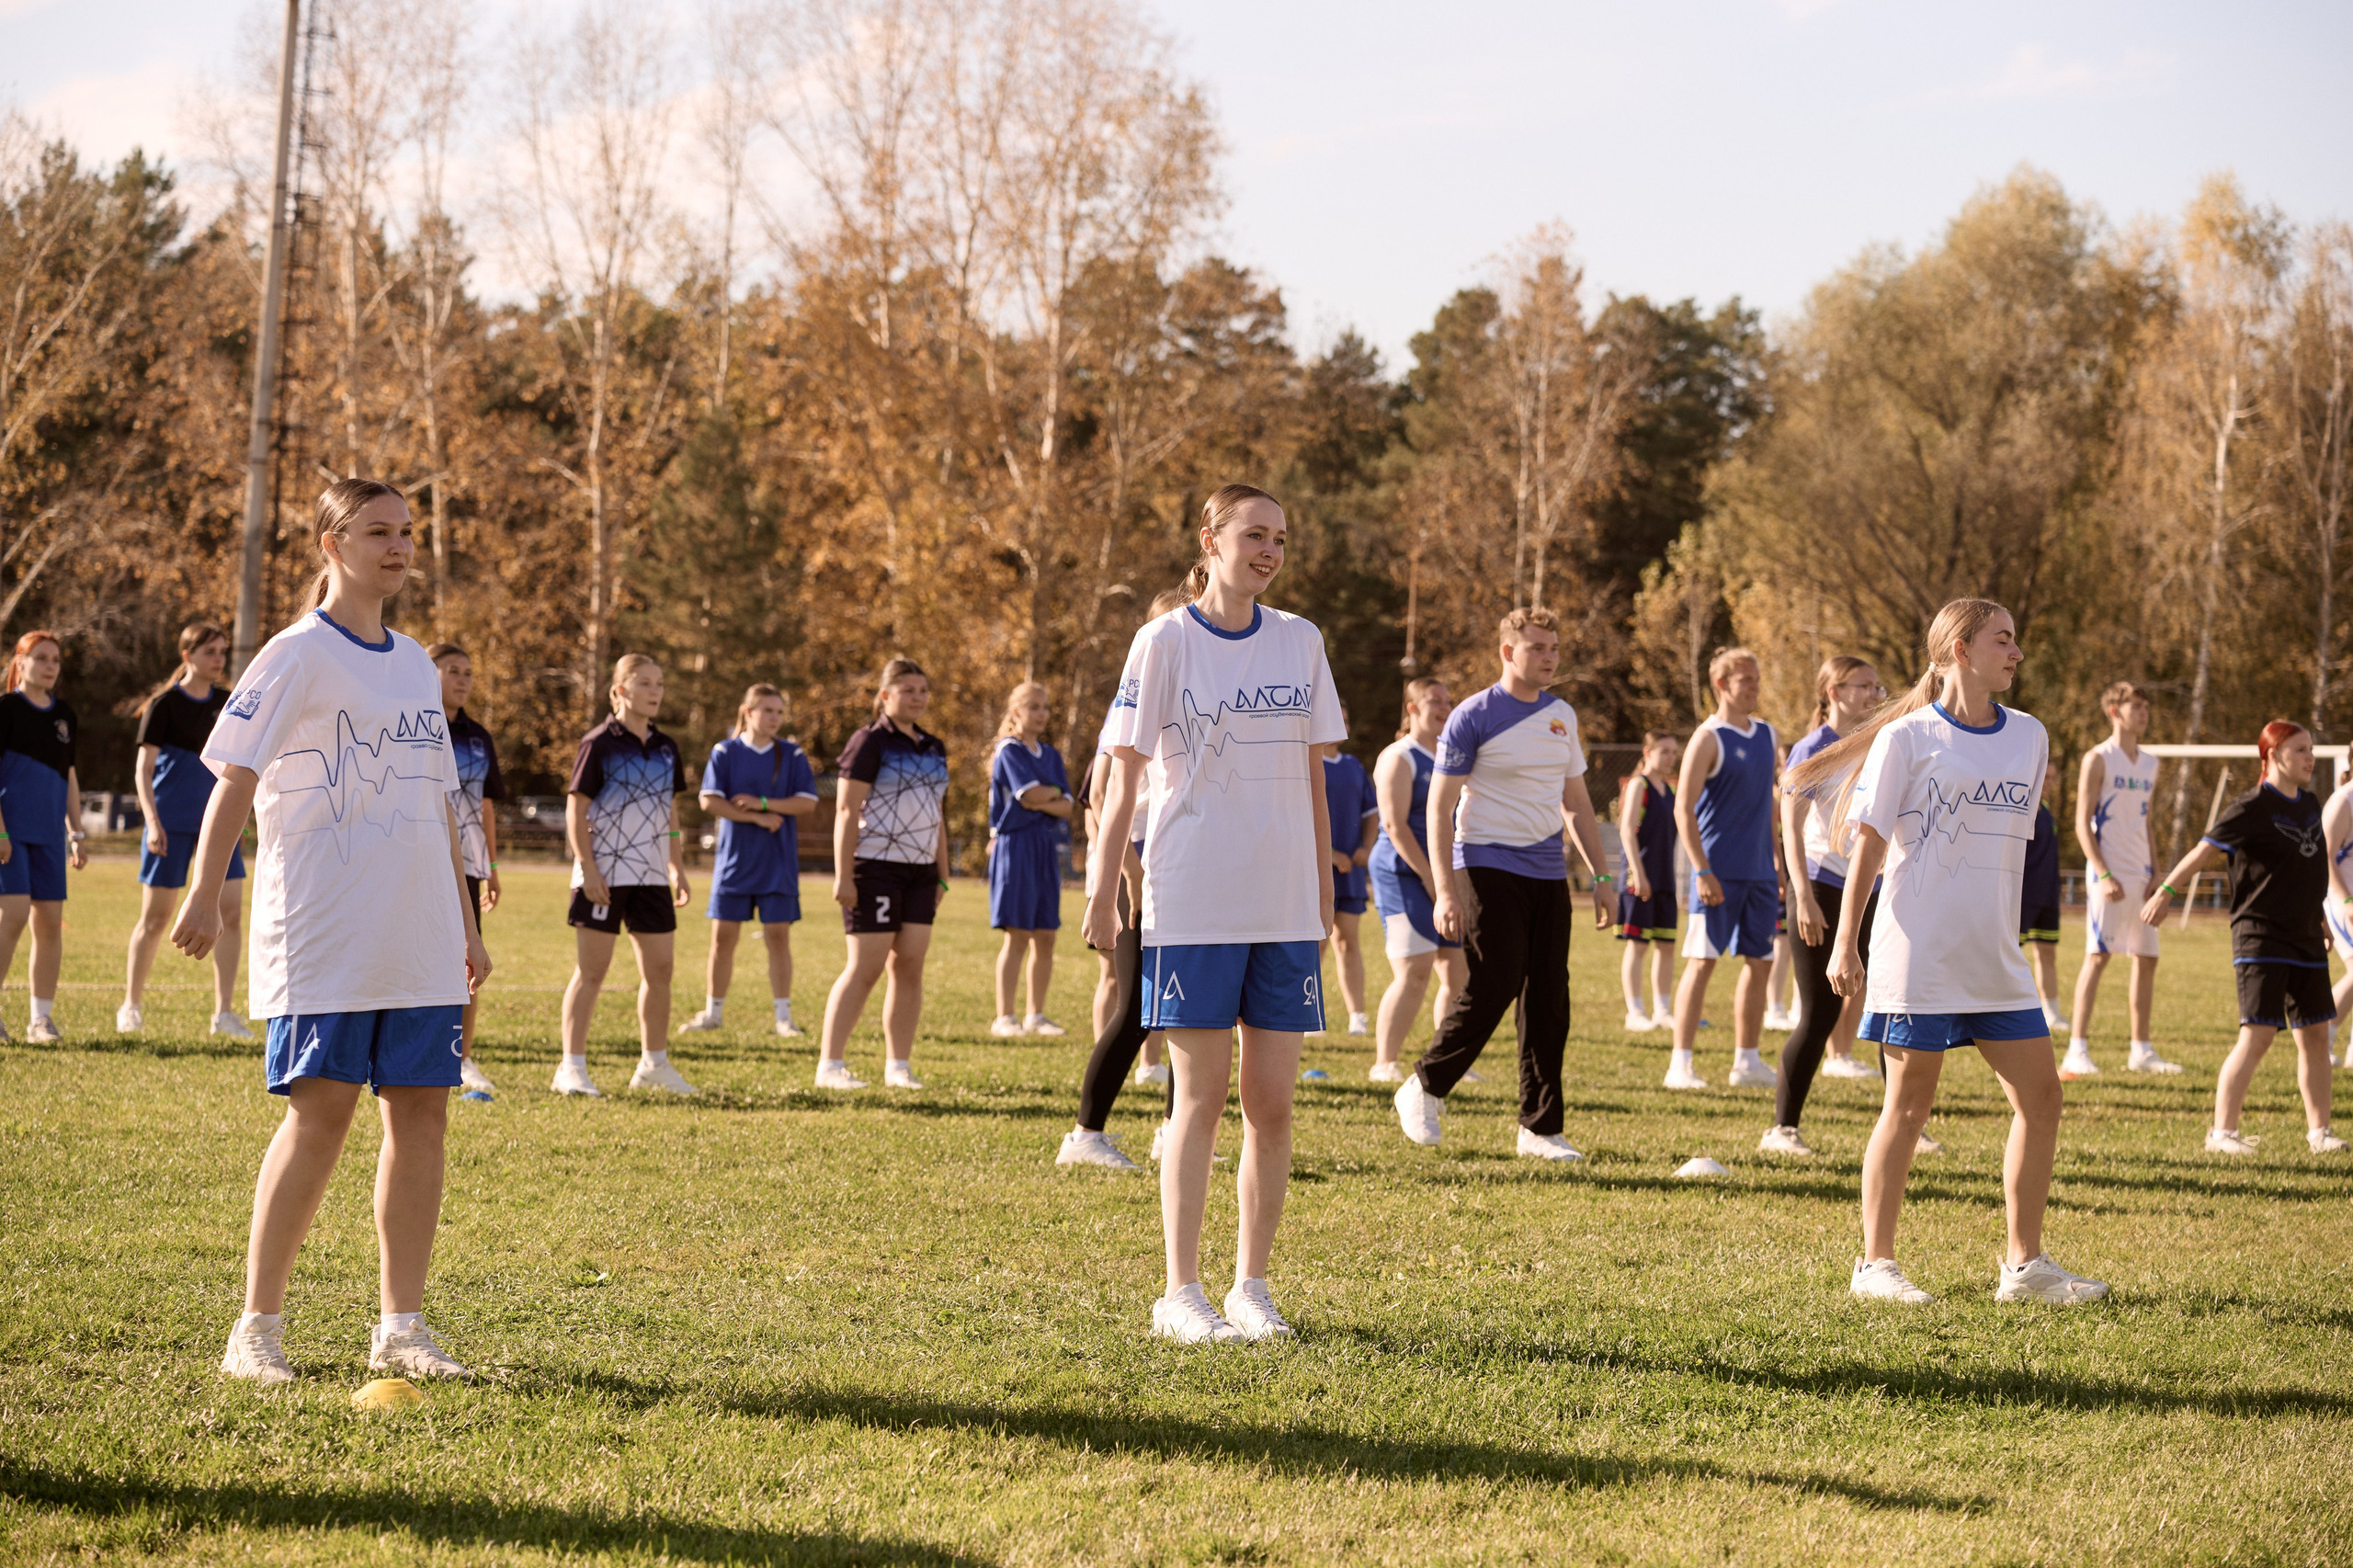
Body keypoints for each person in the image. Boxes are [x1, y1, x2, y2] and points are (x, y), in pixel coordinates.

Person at [178, 477, 490, 1384]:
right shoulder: (292, 654)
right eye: (377, 531)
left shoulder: (413, 659)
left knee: (423, 1113)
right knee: (321, 1116)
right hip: (327, 931)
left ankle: (401, 1326)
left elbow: (439, 799)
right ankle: (257, 1330)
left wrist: (466, 924)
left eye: (405, 531)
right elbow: (233, 776)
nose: (398, 546)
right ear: (331, 543)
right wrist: (205, 890)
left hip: (420, 931)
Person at [1084, 483, 1344, 1343]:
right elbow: (1124, 774)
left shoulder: (1301, 641)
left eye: (1280, 537)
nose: (1269, 551)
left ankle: (1251, 1288)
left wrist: (1321, 893)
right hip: (1192, 898)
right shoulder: (1162, 640)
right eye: (1254, 534)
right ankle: (1178, 1294)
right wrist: (1100, 892)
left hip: (1282, 903)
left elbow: (1313, 774)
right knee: (1197, 1097)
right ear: (1211, 538)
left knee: (1272, 1102)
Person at [1797, 597, 2105, 1307]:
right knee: (1908, 1107)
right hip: (1918, 953)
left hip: (1994, 956)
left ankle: (2024, 1268)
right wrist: (1846, 940)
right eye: (2003, 640)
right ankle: (1875, 1266)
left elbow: (2012, 846)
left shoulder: (2030, 736)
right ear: (1959, 650)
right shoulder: (1906, 739)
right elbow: (1867, 844)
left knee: (2043, 1097)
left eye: (2016, 640)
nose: (2017, 654)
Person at [1391, 606, 1614, 1162]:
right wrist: (1445, 890)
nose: (1549, 658)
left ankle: (1540, 1129)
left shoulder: (1562, 715)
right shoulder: (1472, 716)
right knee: (1496, 981)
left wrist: (1603, 875)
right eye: (1538, 648)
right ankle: (1423, 1085)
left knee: (1549, 998)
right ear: (1507, 652)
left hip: (1546, 871)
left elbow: (1578, 805)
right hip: (1485, 863)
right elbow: (1439, 810)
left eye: (1555, 648)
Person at [2143, 722, 2345, 1155]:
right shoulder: (2252, 806)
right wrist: (2167, 890)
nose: (2310, 757)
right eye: (2300, 750)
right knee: (2258, 1035)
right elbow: (2203, 851)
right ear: (2273, 756)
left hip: (2307, 935)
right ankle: (2222, 1133)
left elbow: (2310, 871)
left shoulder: (2309, 803)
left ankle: (2320, 1133)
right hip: (2261, 937)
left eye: (2311, 749)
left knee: (2315, 1033)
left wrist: (2322, 919)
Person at [1765, 657, 1915, 1158]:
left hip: (1872, 889)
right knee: (1821, 1013)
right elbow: (1790, 825)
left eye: (1878, 685)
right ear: (1833, 690)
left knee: (1889, 1004)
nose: (1875, 693)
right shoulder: (1813, 748)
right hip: (1822, 890)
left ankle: (1904, 1126)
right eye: (1863, 685)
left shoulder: (1881, 740)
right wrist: (1800, 894)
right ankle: (1782, 1129)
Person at [553, 654, 693, 1097]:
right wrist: (589, 868)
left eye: (660, 683)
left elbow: (670, 811)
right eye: (645, 683)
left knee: (661, 970)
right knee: (591, 972)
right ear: (619, 691)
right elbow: (576, 809)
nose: (655, 691)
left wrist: (676, 865)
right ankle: (570, 1067)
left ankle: (654, 1064)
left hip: (651, 877)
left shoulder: (667, 747)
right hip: (603, 875)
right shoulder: (598, 743)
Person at [820, 657, 949, 1091]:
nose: (918, 698)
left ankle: (899, 1066)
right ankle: (830, 1065)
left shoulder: (934, 747)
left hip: (922, 873)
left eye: (923, 690)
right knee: (866, 968)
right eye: (908, 690)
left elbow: (937, 815)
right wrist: (844, 875)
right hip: (874, 869)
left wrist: (943, 874)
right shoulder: (868, 742)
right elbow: (845, 810)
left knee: (909, 967)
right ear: (885, 696)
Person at [119, 621, 253, 1041]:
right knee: (156, 918)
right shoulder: (163, 705)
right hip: (169, 826)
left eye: (222, 651)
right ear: (187, 656)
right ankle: (131, 1005)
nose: (218, 659)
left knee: (230, 914)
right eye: (210, 651)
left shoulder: (228, 703)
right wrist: (152, 822)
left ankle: (224, 1013)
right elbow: (143, 770)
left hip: (217, 829)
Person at [1666, 648, 1783, 1091]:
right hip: (1716, 873)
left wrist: (1776, 862)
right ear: (1721, 685)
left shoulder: (1769, 736)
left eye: (1756, 678)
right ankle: (1681, 1064)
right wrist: (1701, 870)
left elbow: (1765, 807)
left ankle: (1746, 1062)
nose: (1754, 685)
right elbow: (1683, 809)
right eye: (1745, 679)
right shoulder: (1707, 737)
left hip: (1760, 875)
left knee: (1761, 962)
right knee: (1702, 963)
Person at [679, 684, 818, 1040]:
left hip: (778, 865)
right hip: (734, 865)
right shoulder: (725, 752)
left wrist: (764, 804)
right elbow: (709, 800)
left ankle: (784, 1018)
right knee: (722, 939)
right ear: (747, 712)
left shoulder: (793, 755)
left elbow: (806, 802)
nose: (774, 718)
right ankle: (712, 1013)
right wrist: (754, 818)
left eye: (779, 712)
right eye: (767, 710)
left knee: (778, 937)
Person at [2064, 682, 2182, 1078]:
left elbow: (2146, 821)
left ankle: (2141, 1050)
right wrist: (2103, 872)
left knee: (2147, 959)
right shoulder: (2097, 758)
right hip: (2109, 874)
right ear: (2115, 711)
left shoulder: (2150, 763)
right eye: (2136, 705)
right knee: (2098, 957)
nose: (2144, 712)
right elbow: (2082, 823)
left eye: (2147, 705)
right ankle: (2076, 1050)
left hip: (2142, 875)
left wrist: (2156, 870)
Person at [1367, 677, 1466, 1084]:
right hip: (1403, 874)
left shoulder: (1451, 755)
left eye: (1448, 701)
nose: (1444, 708)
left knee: (1458, 973)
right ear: (1412, 708)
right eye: (1434, 701)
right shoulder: (1399, 756)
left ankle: (1447, 1060)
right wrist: (1431, 878)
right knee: (1415, 971)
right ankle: (1384, 1063)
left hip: (1441, 877)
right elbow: (1393, 823)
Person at [0, 631, 87, 1043]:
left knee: (49, 923)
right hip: (9, 835)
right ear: (20, 663)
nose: (51, 666)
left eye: (56, 660)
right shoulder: (6, 709)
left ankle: (40, 1020)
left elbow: (68, 777)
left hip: (50, 837)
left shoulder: (65, 716)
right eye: (41, 658)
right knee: (13, 917)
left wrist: (76, 832)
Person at [430, 643, 507, 1096]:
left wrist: (492, 866)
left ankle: (464, 1058)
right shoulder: (414, 726)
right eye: (452, 670)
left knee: (467, 965)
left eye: (468, 672)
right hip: (420, 859)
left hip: (468, 868)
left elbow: (486, 806)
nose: (462, 679)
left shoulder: (480, 737)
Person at [986, 681, 1074, 1039]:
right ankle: (1004, 1017)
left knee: (1045, 934)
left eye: (1046, 707)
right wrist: (1045, 795)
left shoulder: (1051, 755)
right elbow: (1028, 796)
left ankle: (1036, 1015)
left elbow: (1068, 806)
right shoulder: (1008, 750)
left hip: (1044, 846)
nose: (1042, 714)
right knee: (1018, 933)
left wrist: (1045, 797)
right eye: (1034, 707)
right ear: (1016, 711)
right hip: (1015, 846)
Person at [1615, 729, 1681, 1033]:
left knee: (1666, 945)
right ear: (1647, 752)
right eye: (1664, 751)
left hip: (1665, 879)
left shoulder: (1670, 791)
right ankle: (1635, 1011)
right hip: (1639, 879)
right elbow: (1627, 830)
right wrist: (1638, 874)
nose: (1670, 757)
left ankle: (1663, 1010)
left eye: (1673, 752)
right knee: (1638, 945)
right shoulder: (1638, 785)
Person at [1319, 716, 1380, 1044]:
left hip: (1350, 873)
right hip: (1315, 869)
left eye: (1346, 717)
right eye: (1336, 715)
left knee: (1349, 942)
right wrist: (1328, 853)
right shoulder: (1306, 761)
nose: (1342, 722)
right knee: (1316, 943)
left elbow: (1372, 813)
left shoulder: (1354, 766)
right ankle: (1309, 1015)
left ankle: (1358, 1016)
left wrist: (1366, 848)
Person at [2021, 759, 2069, 1036]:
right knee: (2012, 953)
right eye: (2045, 777)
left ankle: (2051, 1011)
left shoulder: (2047, 809)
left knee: (2047, 953)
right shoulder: (2022, 809)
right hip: (2024, 894)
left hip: (2048, 894)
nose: (2048, 783)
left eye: (2052, 778)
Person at [2325, 766, 2353, 1063]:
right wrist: (2346, 900)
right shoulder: (2344, 800)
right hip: (2340, 900)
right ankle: (2324, 1037)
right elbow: (2325, 856)